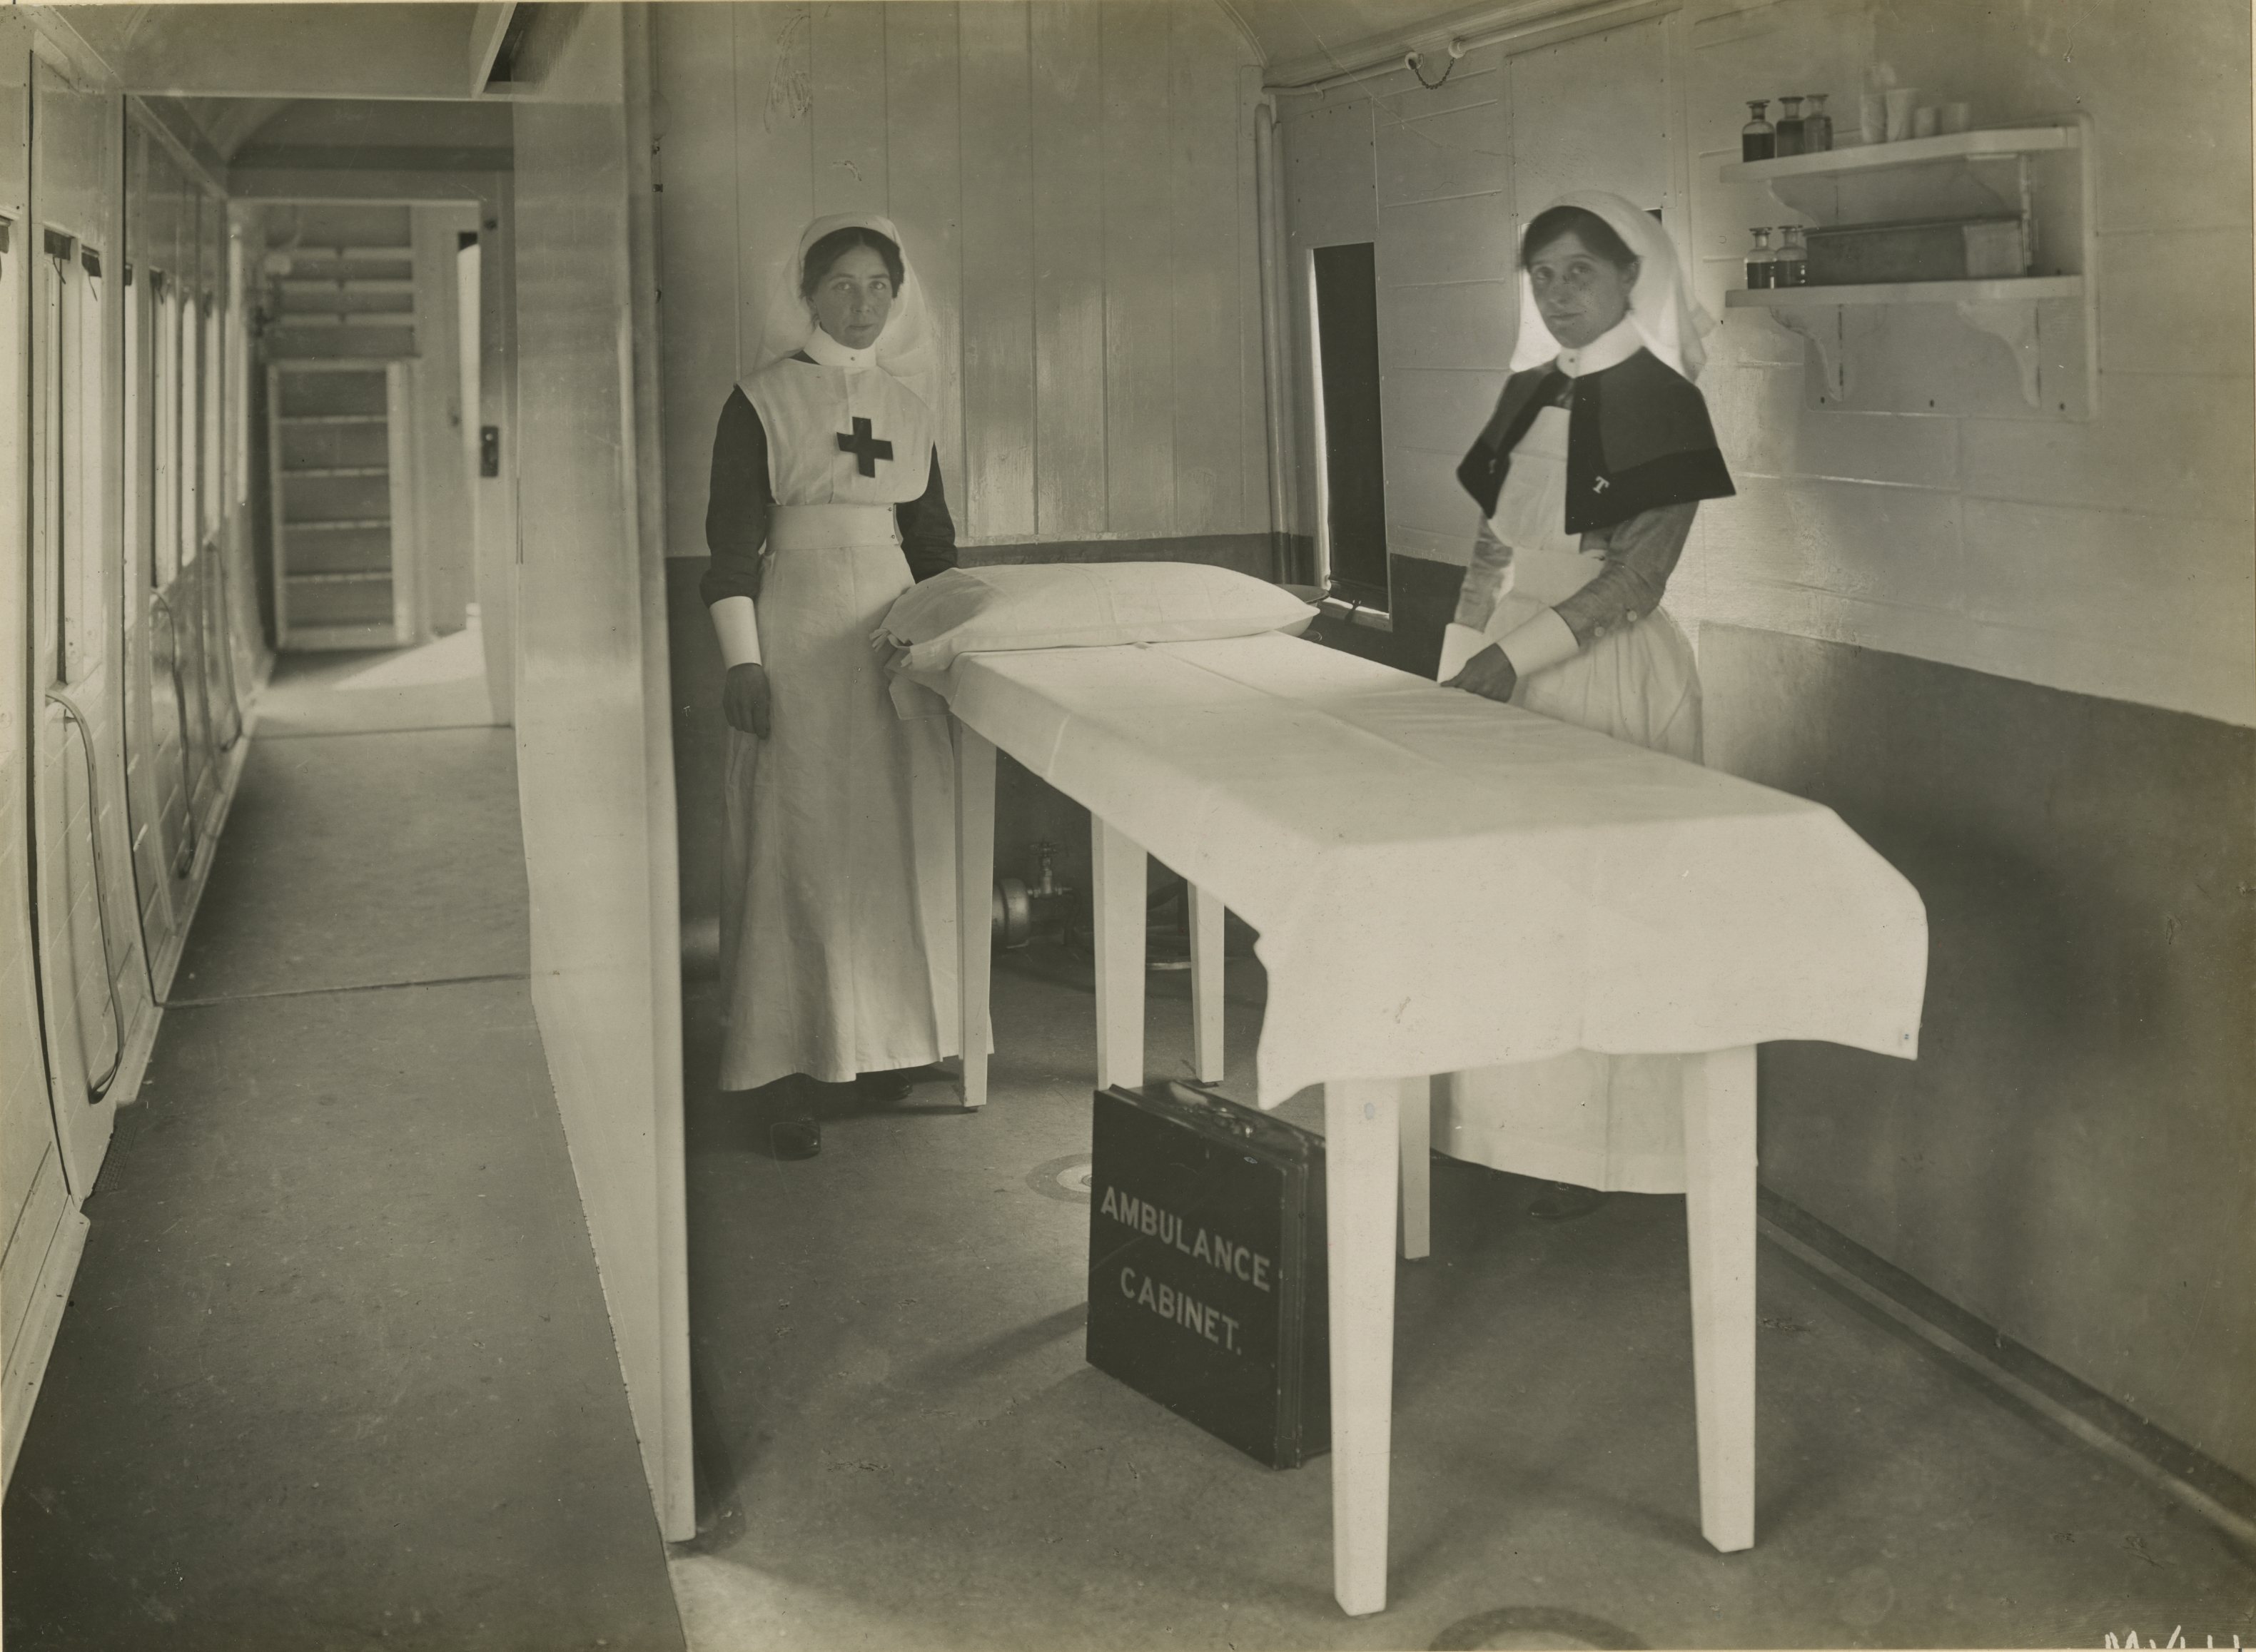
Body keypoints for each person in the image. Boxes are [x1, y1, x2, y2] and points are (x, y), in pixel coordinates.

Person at [1436, 191, 1736, 1220]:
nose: (1559, 294)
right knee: (1504, 906)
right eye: (1543, 275)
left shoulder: (1665, 401)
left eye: (1580, 273)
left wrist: (1511, 658)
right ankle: (1502, 1135)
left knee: (1604, 910)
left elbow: (1635, 578)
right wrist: (1458, 660)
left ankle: (1602, 1155)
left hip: (1602, 670)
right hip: (1501, 666)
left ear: (1629, 280)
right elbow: (1491, 547)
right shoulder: (1527, 389)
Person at [702, 213, 963, 1160]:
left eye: (879, 286)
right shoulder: (759, 401)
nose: (863, 304)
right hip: (796, 634)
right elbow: (731, 546)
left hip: (890, 638)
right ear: (807, 293)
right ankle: (785, 1066)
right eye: (844, 285)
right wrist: (742, 660)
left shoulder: (907, 405)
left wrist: (949, 647)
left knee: (889, 842)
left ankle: (883, 1042)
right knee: (796, 843)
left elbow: (932, 547)